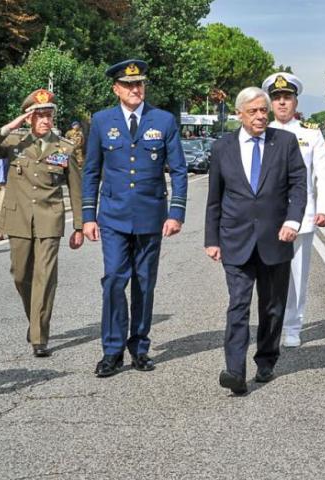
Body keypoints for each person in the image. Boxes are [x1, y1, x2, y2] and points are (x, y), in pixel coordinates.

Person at [82, 60, 188, 377]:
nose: (135, 89)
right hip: (113, 216)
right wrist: (88, 216)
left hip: (150, 216)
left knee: (144, 283)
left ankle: (140, 347)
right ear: (116, 88)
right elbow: (91, 171)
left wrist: (176, 212)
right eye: (128, 85)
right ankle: (112, 351)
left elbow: (179, 170)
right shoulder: (102, 121)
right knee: (115, 279)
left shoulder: (163, 120)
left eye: (139, 83)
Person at [204, 86, 308, 395]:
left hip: (276, 237)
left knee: (272, 306)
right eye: (253, 111)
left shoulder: (285, 142)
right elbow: (214, 198)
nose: (261, 116)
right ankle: (235, 371)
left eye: (264, 110)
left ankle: (266, 359)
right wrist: (212, 238)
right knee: (238, 304)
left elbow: (298, 185)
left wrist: (292, 221)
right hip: (235, 239)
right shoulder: (222, 147)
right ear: (240, 115)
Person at [0, 88, 84, 357]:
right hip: (18, 218)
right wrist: (11, 125)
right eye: (39, 115)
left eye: (48, 115)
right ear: (29, 118)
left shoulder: (64, 148)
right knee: (21, 275)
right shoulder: (15, 142)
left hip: (50, 218)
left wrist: (79, 226)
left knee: (45, 278)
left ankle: (39, 336)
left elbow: (76, 190)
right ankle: (34, 320)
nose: (45, 120)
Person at [262, 72, 325, 348]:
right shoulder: (261, 131)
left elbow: (324, 174)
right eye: (277, 98)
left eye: (287, 97)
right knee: (268, 275)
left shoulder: (310, 133)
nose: (282, 102)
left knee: (296, 275)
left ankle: (293, 325)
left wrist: (324, 208)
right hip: (267, 216)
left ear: (295, 101)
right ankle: (271, 324)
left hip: (301, 215)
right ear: (270, 103)